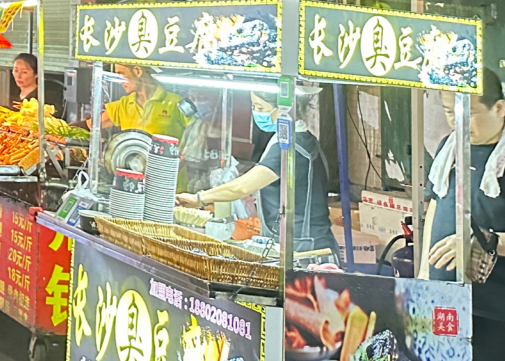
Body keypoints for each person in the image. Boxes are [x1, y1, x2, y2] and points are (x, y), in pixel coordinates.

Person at [421, 68, 505, 361]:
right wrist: (424, 279)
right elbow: (435, 205)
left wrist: (488, 242)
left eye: (469, 113)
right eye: (450, 112)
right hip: (448, 307)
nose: (458, 123)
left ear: (500, 108)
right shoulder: (449, 149)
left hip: (501, 315)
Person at [176, 88, 337, 254]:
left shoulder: (292, 147)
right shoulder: (295, 139)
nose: (256, 113)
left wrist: (198, 198)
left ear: (284, 109)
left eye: (260, 107)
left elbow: (243, 187)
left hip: (305, 247)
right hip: (296, 242)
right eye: (253, 106)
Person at [97, 63, 191, 139]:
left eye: (121, 75)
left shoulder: (176, 102)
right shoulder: (123, 105)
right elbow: (93, 125)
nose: (119, 81)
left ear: (137, 71)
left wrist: (185, 151)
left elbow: (197, 130)